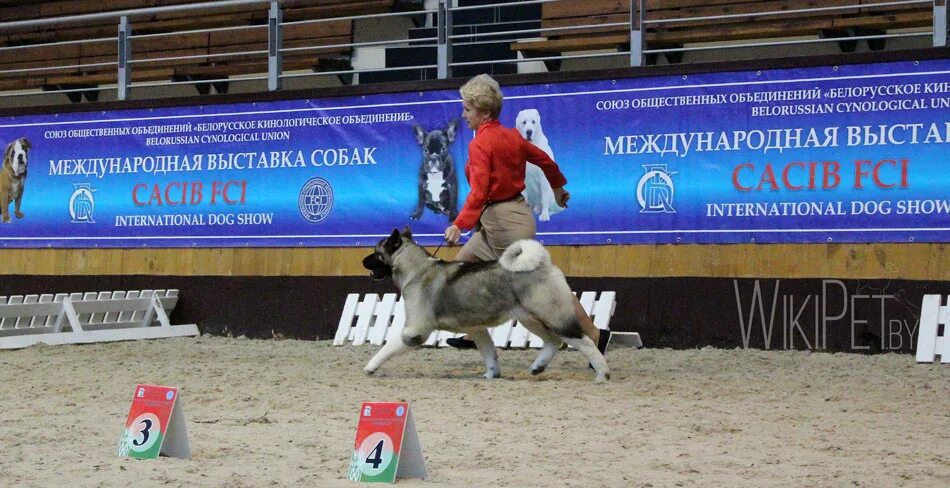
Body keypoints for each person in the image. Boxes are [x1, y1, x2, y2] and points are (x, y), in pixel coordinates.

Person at [443, 74, 609, 355]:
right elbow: (544, 159)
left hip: (506, 224)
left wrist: (459, 225)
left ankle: (594, 335)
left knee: (544, 289)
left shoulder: (480, 144)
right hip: (498, 221)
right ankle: (474, 334)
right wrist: (557, 189)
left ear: (483, 112)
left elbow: (480, 191)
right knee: (460, 270)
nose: (463, 115)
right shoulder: (511, 136)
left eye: (467, 109)